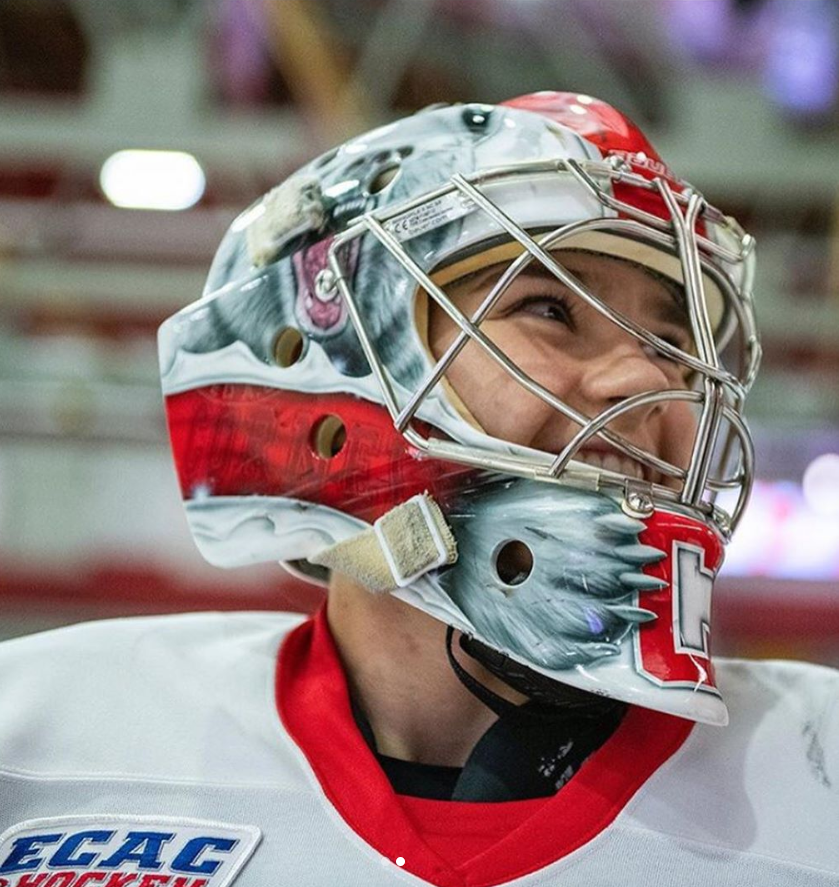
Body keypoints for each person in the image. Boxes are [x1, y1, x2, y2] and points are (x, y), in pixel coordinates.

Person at [0, 92, 837, 887]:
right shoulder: (39, 734)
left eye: (668, 340)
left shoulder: (817, 769)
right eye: (549, 307)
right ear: (328, 360)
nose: (645, 376)